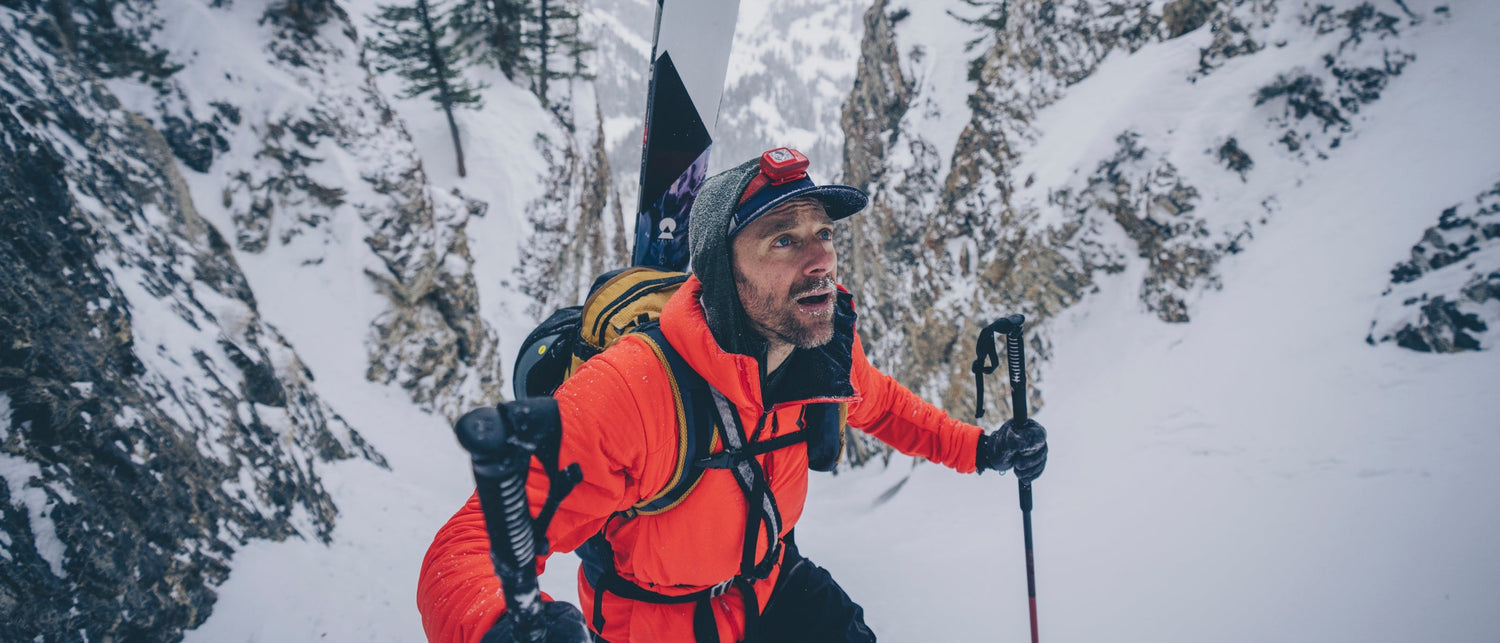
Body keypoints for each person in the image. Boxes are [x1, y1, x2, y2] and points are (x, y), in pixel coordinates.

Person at [417, 147, 1049, 643]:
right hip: (657, 625)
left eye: (824, 233)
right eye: (783, 239)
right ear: (724, 268)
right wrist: (497, 626)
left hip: (773, 585)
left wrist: (983, 449)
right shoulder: (635, 392)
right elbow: (465, 546)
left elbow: (883, 405)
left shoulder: (819, 348)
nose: (820, 258)